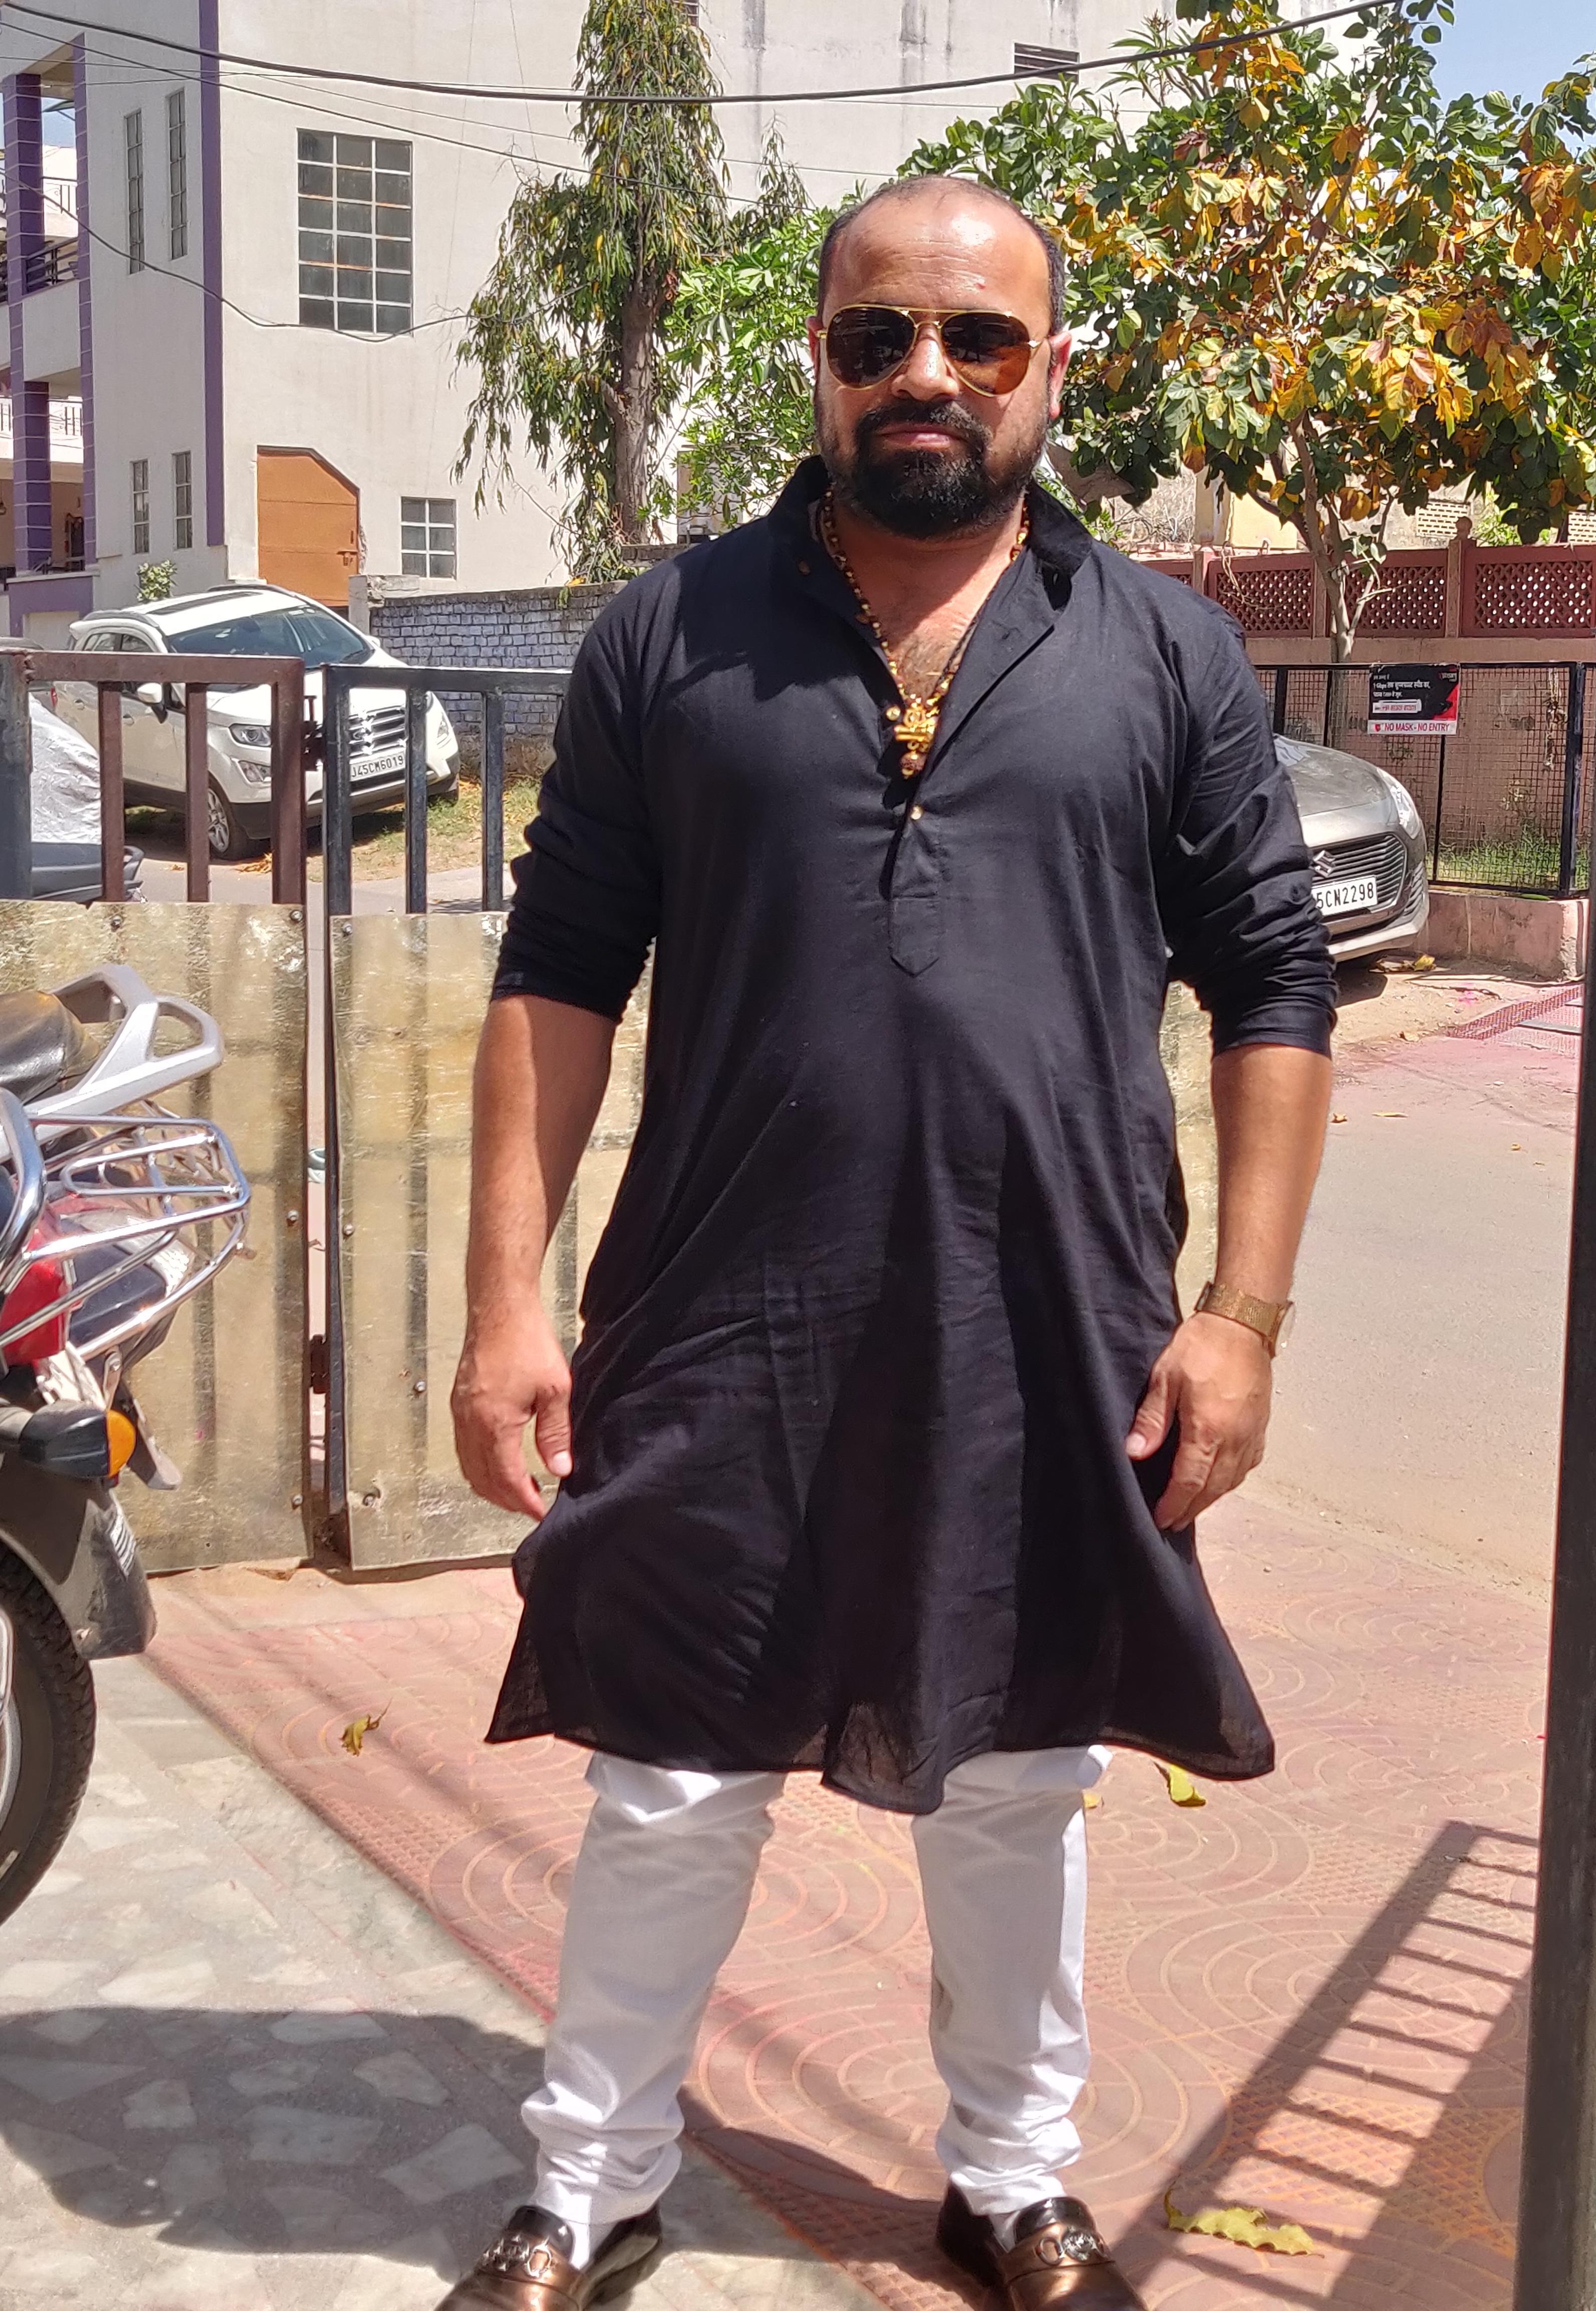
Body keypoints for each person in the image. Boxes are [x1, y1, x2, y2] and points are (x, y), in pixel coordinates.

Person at [441, 174, 1334, 2311]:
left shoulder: (1169, 652)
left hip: (1054, 1314)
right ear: (823, 363)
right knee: (673, 1775)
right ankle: (591, 2186)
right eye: (878, 338)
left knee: (1018, 1773)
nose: (926, 374)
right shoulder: (673, 635)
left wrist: (1242, 1315)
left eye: (978, 338)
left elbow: (1276, 987)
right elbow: (556, 977)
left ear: (1051, 369)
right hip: (719, 1306)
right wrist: (498, 1309)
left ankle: (1010, 2179)